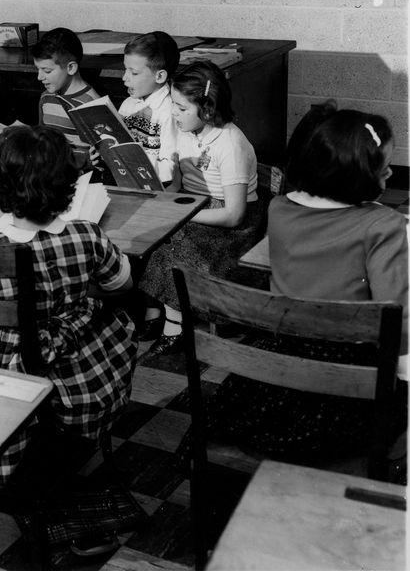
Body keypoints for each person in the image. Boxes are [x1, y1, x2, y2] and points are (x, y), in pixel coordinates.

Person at [0, 125, 135, 487]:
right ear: (67, 186)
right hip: (76, 372)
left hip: (6, 367)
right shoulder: (87, 234)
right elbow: (122, 284)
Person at [196, 103, 407, 460]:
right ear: (355, 176)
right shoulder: (383, 225)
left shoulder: (279, 209)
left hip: (278, 369)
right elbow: (395, 318)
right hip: (346, 383)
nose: (389, 176)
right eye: (383, 168)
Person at [141, 60, 260, 355]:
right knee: (154, 232)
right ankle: (157, 314)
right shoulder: (186, 130)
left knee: (175, 241)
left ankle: (174, 325)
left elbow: (234, 215)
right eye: (174, 105)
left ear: (207, 109)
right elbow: (178, 180)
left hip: (234, 222)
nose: (174, 113)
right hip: (195, 205)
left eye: (182, 108)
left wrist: (181, 216)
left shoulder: (230, 143)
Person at [118, 31, 179, 184]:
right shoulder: (128, 104)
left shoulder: (168, 111)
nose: (124, 78)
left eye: (134, 73)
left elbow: (170, 168)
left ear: (159, 76)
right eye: (125, 69)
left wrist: (135, 165)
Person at [32, 28, 99, 138]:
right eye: (37, 69)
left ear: (71, 68)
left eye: (47, 71)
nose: (39, 77)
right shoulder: (46, 97)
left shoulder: (92, 104)